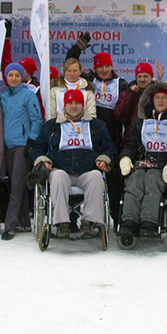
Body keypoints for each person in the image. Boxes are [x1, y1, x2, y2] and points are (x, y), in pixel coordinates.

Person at [31, 89, 117, 239]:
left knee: (97, 177)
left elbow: (110, 148)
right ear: (64, 105)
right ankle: (62, 223)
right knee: (57, 177)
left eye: (77, 103)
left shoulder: (97, 125)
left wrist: (105, 159)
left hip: (87, 170)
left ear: (83, 105)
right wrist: (43, 160)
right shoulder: (51, 126)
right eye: (70, 103)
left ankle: (89, 222)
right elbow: (37, 148)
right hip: (61, 169)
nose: (74, 106)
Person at [66, 36, 130, 222]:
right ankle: (80, 218)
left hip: (113, 139)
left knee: (114, 180)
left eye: (107, 66)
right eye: (100, 66)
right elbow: (70, 63)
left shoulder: (121, 84)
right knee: (87, 177)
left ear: (111, 67)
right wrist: (77, 48)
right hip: (89, 137)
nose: (104, 69)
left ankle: (117, 218)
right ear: (95, 68)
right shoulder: (87, 79)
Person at [117, 82, 167, 238]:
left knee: (152, 178)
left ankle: (149, 221)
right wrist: (125, 157)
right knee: (135, 179)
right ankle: (129, 221)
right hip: (142, 164)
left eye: (164, 97)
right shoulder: (140, 123)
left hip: (163, 167)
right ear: (152, 100)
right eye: (157, 97)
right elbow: (131, 143)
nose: (160, 101)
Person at [0, 62, 43, 240]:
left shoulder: (28, 95)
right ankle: (24, 221)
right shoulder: (3, 98)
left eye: (17, 75)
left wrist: (31, 141)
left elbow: (37, 119)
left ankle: (10, 225)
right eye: (11, 75)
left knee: (16, 186)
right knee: (15, 183)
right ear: (6, 77)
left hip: (22, 146)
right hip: (7, 146)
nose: (14, 78)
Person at [114, 61, 161, 139]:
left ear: (151, 77)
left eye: (145, 76)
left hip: (153, 138)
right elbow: (119, 117)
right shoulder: (126, 94)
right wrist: (131, 95)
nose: (142, 79)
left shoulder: (158, 93)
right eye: (139, 76)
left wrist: (158, 84)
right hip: (131, 139)